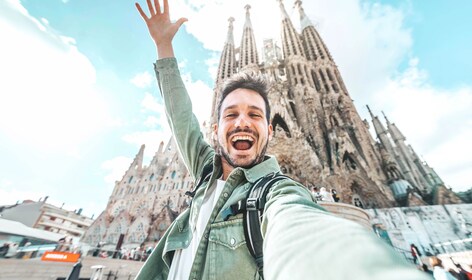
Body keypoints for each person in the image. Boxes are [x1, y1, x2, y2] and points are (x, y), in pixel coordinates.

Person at [134, 0, 431, 279]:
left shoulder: (275, 191)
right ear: (214, 128)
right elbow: (180, 118)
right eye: (231, 114)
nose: (242, 122)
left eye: (254, 114)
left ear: (270, 129)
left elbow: (301, 226)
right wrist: (164, 46)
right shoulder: (204, 171)